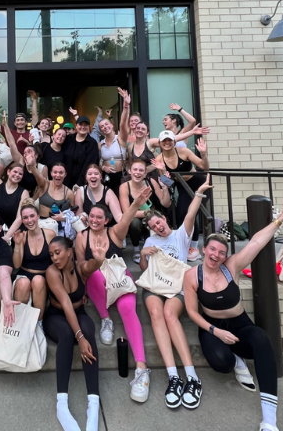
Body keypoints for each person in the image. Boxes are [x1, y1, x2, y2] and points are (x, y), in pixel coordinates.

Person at [184, 201, 283, 431]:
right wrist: (216, 331)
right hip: (212, 327)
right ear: (205, 250)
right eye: (212, 250)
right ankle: (235, 359)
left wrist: (279, 220)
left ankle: (269, 420)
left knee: (262, 340)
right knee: (222, 363)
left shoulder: (232, 266)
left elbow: (256, 241)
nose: (216, 255)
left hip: (239, 324)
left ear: (226, 256)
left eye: (221, 252)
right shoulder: (192, 275)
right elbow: (192, 312)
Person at [139, 174, 213, 410]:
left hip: (177, 287)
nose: (157, 228)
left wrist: (199, 191)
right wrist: (143, 255)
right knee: (155, 313)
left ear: (163, 218)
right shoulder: (150, 241)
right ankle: (173, 376)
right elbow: (145, 271)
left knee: (171, 315)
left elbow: (191, 213)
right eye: (152, 227)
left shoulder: (180, 235)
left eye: (158, 223)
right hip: (155, 285)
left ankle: (191, 376)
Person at [75, 187, 153, 403]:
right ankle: (106, 319)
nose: (95, 219)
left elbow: (126, 220)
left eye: (99, 216)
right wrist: (96, 262)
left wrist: (136, 204)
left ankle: (141, 368)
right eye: (91, 216)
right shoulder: (81, 237)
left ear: (107, 220)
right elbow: (81, 267)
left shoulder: (114, 233)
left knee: (128, 309)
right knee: (95, 274)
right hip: (96, 283)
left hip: (119, 279)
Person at [44, 235, 107, 431]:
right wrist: (79, 337)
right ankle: (61, 404)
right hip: (55, 316)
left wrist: (99, 259)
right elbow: (65, 304)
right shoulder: (52, 272)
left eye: (58, 253)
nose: (54, 258)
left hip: (78, 312)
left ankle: (93, 404)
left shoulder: (79, 268)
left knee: (89, 330)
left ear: (69, 252)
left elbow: (91, 266)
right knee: (67, 333)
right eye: (51, 254)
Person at [156, 131, 210, 262]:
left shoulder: (183, 151)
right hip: (183, 187)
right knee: (182, 213)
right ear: (160, 144)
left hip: (198, 183)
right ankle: (187, 245)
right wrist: (163, 172)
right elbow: (167, 181)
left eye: (170, 140)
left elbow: (204, 167)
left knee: (193, 212)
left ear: (174, 142)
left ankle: (194, 248)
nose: (167, 143)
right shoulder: (159, 159)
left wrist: (203, 154)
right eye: (164, 141)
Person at [7, 200, 57, 321]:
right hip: (24, 275)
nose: (29, 220)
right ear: (22, 221)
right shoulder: (22, 236)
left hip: (43, 277)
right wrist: (18, 244)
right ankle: (19, 322)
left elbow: (57, 260)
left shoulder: (50, 234)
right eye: (25, 218)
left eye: (32, 216)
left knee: (38, 280)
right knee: (24, 283)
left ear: (38, 216)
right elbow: (17, 265)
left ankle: (38, 322)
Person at [119, 159, 171, 263]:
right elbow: (126, 212)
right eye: (135, 169)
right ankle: (136, 248)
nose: (137, 173)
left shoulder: (151, 182)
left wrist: (165, 188)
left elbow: (166, 203)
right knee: (134, 223)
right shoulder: (124, 186)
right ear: (130, 171)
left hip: (152, 217)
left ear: (145, 173)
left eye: (141, 170)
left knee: (155, 221)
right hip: (137, 217)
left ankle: (158, 248)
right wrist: (147, 213)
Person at [31, 161, 76, 235]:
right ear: (51, 173)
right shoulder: (45, 184)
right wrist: (32, 166)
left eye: (61, 173)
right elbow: (37, 176)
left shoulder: (68, 192)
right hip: (41, 224)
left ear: (65, 174)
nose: (58, 175)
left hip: (57, 227)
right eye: (55, 172)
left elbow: (73, 213)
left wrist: (64, 218)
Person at [98, 88, 131, 191]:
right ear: (101, 131)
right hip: (106, 177)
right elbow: (98, 163)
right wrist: (104, 168)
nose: (105, 127)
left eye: (106, 124)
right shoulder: (100, 144)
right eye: (102, 127)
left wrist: (126, 106)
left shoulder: (120, 138)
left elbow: (122, 123)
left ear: (112, 126)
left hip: (121, 176)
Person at [0, 90, 38, 155]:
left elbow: (34, 117)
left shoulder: (30, 133)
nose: (20, 122)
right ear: (14, 123)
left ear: (26, 122)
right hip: (12, 163)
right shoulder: (9, 132)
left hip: (27, 162)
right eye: (17, 120)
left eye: (22, 120)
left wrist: (34, 100)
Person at [62, 114, 100, 188]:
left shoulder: (92, 143)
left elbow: (89, 164)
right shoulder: (68, 139)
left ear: (89, 127)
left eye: (85, 125)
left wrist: (79, 183)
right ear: (76, 126)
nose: (83, 127)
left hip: (82, 184)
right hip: (65, 181)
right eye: (80, 124)